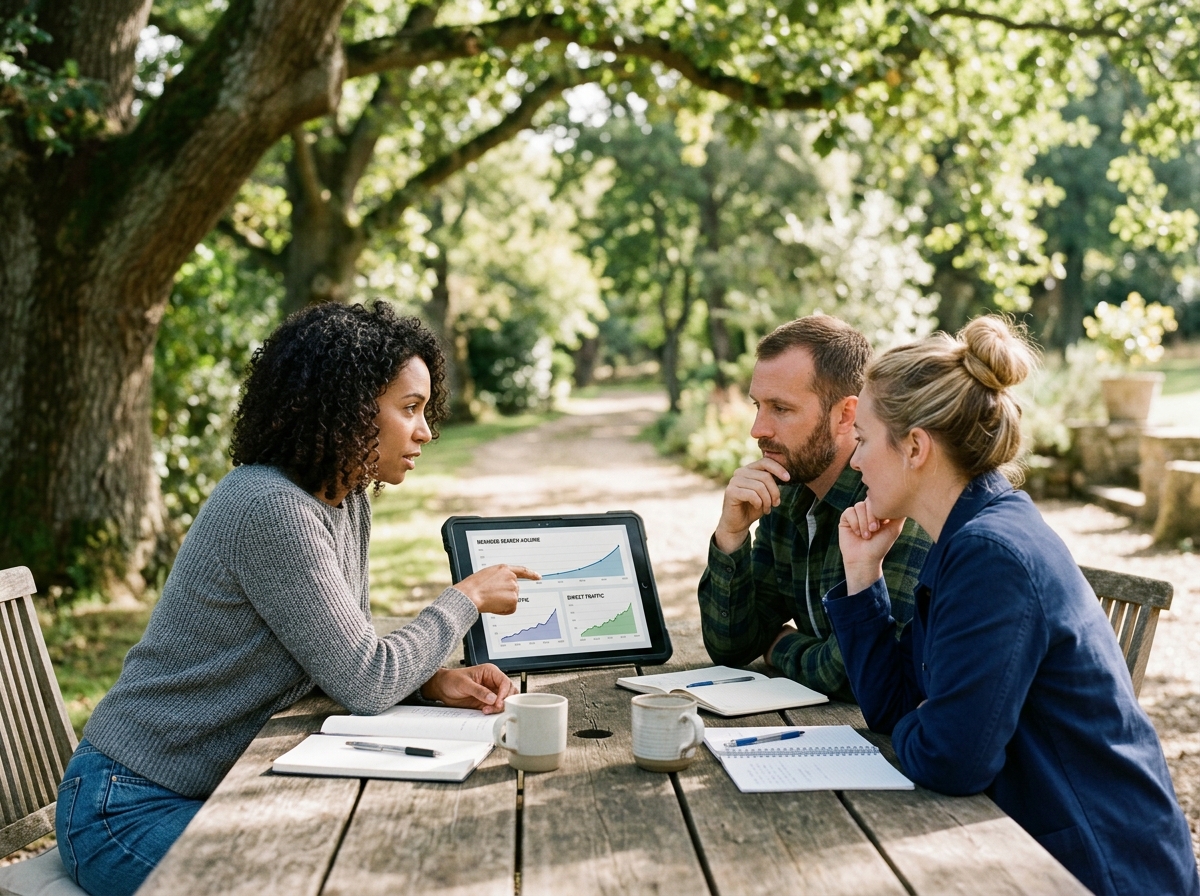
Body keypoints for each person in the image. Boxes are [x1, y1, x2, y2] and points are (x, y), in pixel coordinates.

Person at [54, 302, 538, 896]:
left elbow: (340, 657)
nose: (425, 431)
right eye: (409, 409)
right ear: (351, 408)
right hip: (126, 807)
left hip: (218, 789)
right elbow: (365, 680)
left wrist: (431, 682)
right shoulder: (268, 506)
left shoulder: (344, 499)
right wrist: (465, 599)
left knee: (380, 855)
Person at [825, 316, 1200, 896]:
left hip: (1101, 868)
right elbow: (899, 709)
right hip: (1030, 841)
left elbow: (953, 760)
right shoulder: (966, 534)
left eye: (865, 440)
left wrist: (926, 725)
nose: (855, 462)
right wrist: (862, 573)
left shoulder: (989, 552)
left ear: (916, 447)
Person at [698, 315, 931, 701]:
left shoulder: (892, 501)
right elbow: (732, 647)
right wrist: (731, 536)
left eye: (781, 409)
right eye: (758, 405)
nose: (758, 428)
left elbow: (855, 673)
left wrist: (778, 646)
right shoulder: (786, 492)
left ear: (846, 415)